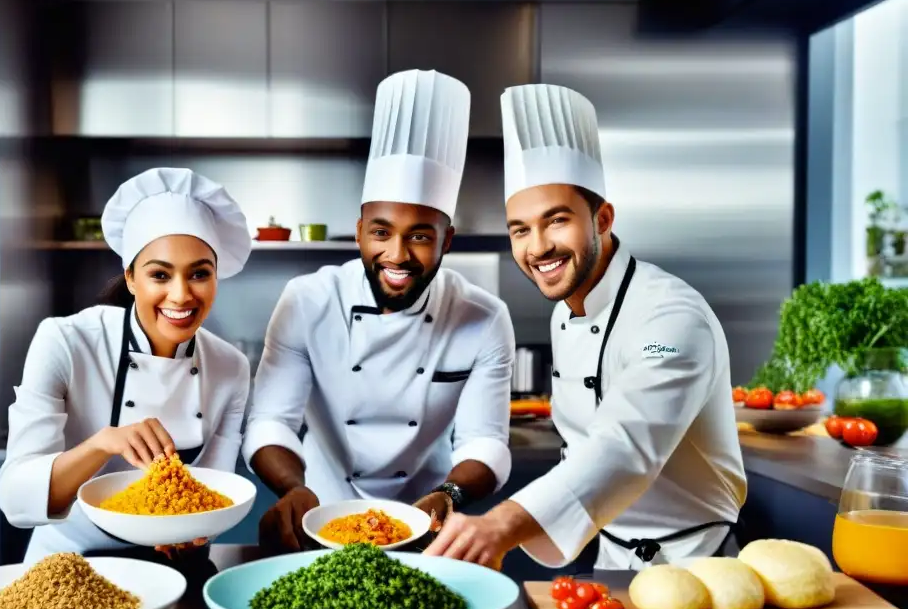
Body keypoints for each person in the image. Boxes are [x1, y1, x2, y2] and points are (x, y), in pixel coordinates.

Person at [425, 83, 747, 571]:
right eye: (520, 230)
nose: (538, 248)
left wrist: (502, 523)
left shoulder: (674, 316)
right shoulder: (565, 311)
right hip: (611, 561)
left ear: (602, 219)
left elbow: (625, 444)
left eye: (556, 221)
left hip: (698, 564)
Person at [242, 69, 516, 555]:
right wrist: (292, 490)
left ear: (446, 240)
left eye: (420, 236)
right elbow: (270, 422)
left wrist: (450, 495)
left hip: (428, 525)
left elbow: (486, 441)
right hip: (321, 519)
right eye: (382, 232)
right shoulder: (309, 300)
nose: (398, 254)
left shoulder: (483, 316)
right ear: (360, 231)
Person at [0, 167, 253, 564]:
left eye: (200, 273)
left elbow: (215, 490)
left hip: (178, 565)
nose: (181, 295)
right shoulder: (66, 341)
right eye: (159, 275)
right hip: (71, 565)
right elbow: (15, 496)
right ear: (131, 277)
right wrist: (101, 444)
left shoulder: (230, 367)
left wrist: (196, 531)